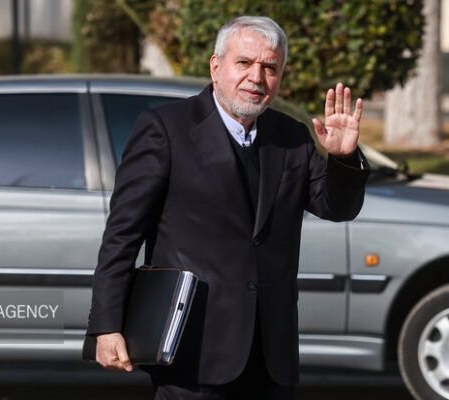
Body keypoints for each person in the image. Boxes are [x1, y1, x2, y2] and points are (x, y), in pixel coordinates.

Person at [85, 15, 370, 399]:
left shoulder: (292, 137)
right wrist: (106, 326)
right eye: (244, 63)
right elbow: (122, 236)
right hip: (193, 352)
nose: (257, 78)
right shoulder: (166, 129)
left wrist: (344, 159)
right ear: (216, 67)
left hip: (271, 356)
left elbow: (337, 207)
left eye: (270, 68)